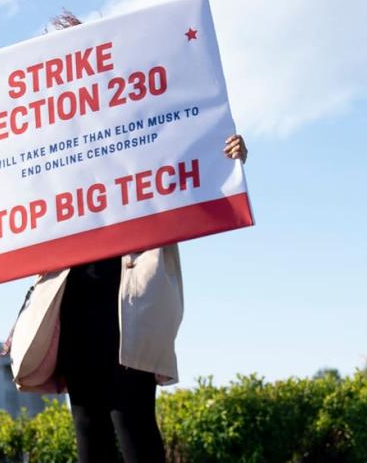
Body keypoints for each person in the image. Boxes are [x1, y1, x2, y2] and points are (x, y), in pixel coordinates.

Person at [56, 134, 248, 463]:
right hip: (73, 306)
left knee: (133, 424)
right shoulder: (59, 160)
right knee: (89, 432)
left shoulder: (143, 147)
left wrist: (227, 158)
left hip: (132, 304)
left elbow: (193, 164)